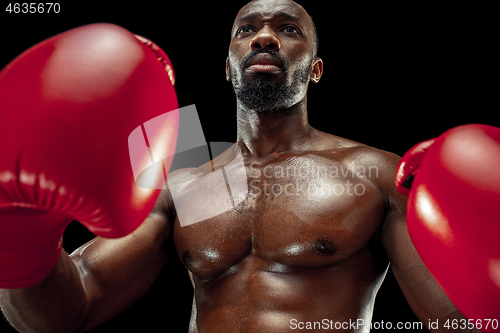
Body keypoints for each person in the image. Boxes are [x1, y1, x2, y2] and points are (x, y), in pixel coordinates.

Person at [0, 0, 479, 332]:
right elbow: (67, 312)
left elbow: (460, 323)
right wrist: (18, 228)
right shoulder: (182, 180)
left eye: (288, 29)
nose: (264, 37)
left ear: (315, 68)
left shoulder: (374, 172)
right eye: (246, 30)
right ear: (227, 66)